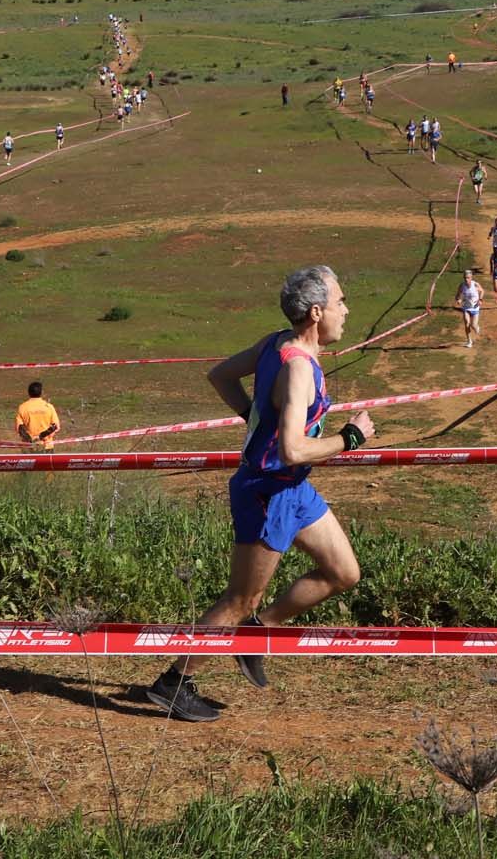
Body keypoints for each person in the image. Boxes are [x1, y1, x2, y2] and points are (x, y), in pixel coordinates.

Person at [145, 266, 376, 723]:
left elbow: (220, 376)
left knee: (343, 572)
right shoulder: (295, 368)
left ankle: (256, 634)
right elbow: (292, 449)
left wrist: (254, 417)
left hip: (294, 488)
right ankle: (174, 682)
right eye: (341, 302)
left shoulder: (276, 343)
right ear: (316, 312)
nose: (346, 311)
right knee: (239, 599)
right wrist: (350, 438)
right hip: (268, 491)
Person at [15, 381, 61, 449]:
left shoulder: (22, 407)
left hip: (28, 447)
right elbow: (55, 426)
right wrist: (41, 437)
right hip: (46, 446)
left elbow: (19, 428)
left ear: (29, 393)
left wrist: (31, 440)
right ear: (42, 392)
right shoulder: (49, 407)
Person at [455, 269, 484, 348]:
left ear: (471, 278)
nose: (466, 279)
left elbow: (482, 291)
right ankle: (469, 341)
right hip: (466, 308)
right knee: (467, 324)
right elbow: (457, 295)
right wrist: (459, 300)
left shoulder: (475, 285)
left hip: (475, 308)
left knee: (473, 325)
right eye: (465, 278)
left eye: (468, 278)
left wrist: (480, 300)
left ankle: (476, 327)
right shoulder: (462, 285)